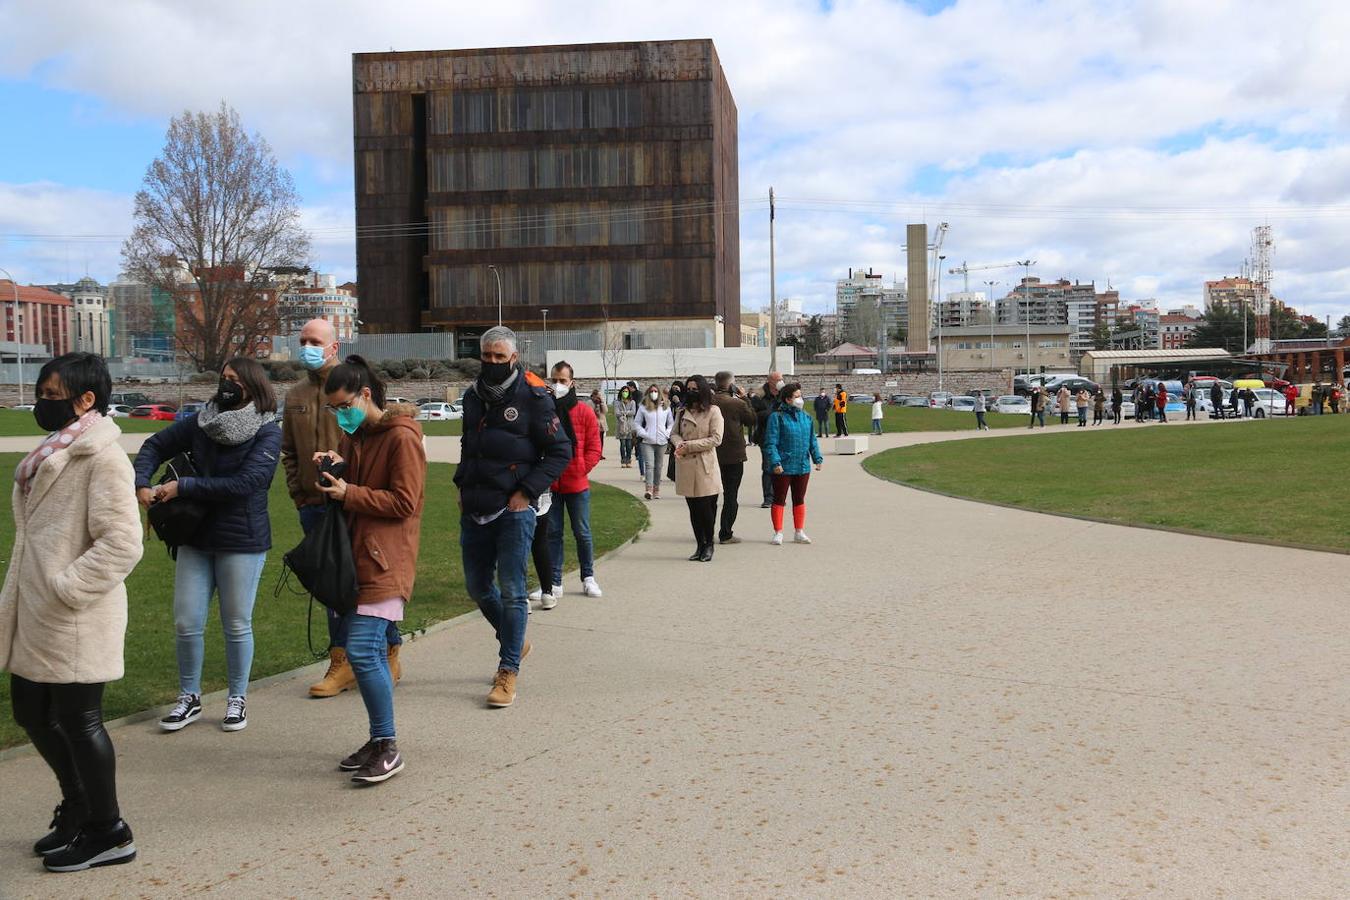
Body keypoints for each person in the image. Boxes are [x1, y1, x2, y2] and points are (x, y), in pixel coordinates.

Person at [2, 353, 144, 872]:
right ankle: (79, 806)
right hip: (37, 611)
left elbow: (124, 543)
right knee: (31, 713)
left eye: (52, 392)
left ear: (86, 400)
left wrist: (65, 587)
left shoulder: (102, 457)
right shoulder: (56, 449)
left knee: (80, 721)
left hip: (74, 614)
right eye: (42, 390)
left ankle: (110, 831)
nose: (42, 400)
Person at [134, 357, 281, 735]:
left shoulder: (267, 430)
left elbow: (248, 483)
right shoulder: (202, 422)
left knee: (235, 623)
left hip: (241, 540)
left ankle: (237, 697)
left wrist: (185, 487)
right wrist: (142, 483)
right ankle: (189, 696)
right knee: (186, 622)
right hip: (195, 537)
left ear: (252, 385)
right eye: (223, 378)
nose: (226, 385)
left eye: (234, 379)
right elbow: (154, 444)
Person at [312, 357, 425, 784]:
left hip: (386, 559)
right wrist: (334, 471)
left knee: (360, 650)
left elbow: (405, 503)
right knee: (368, 652)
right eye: (334, 409)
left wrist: (349, 491)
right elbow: (356, 490)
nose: (341, 414)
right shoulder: (357, 435)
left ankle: (388, 745)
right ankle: (379, 742)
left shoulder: (401, 437)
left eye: (344, 405)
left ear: (364, 395)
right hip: (359, 556)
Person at [284, 318, 402, 699]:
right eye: (302, 340)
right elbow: (288, 451)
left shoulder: (353, 386)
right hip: (314, 504)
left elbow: (373, 440)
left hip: (353, 502)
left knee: (362, 586)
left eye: (314, 340)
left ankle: (384, 649)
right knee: (331, 587)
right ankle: (341, 658)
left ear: (333, 346)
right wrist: (300, 493)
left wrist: (350, 486)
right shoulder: (296, 395)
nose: (307, 346)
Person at [455, 327, 572, 709]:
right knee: (477, 587)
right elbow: (468, 447)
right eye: (486, 356)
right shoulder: (472, 397)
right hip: (474, 504)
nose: (490, 363)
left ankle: (507, 671)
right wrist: (461, 484)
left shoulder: (535, 398)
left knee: (512, 590)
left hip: (513, 509)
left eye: (498, 357)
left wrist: (527, 491)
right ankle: (515, 640)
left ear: (513, 358)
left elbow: (559, 452)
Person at [544, 362, 603, 601]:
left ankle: (588, 577)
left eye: (562, 381)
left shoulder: (584, 412)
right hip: (551, 483)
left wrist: (581, 468)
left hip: (576, 483)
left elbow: (594, 447)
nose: (558, 385)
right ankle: (555, 581)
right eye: (554, 380)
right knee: (553, 533)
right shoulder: (546, 411)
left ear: (572, 383)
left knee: (582, 532)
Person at [671, 374, 725, 561]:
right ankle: (699, 544)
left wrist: (690, 445)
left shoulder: (713, 411)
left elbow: (716, 439)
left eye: (695, 389)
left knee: (706, 509)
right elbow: (674, 433)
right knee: (693, 509)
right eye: (689, 388)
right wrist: (679, 444)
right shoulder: (681, 411)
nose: (691, 392)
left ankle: (709, 544)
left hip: (704, 465)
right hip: (686, 465)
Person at [764, 383, 824, 545]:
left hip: (802, 465)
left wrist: (817, 458)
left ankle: (799, 531)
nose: (800, 399)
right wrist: (775, 462)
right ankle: (778, 532)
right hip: (783, 466)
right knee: (779, 499)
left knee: (799, 498)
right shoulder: (777, 417)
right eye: (797, 396)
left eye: (800, 395)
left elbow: (812, 440)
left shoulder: (806, 417)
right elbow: (771, 443)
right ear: (787, 399)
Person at [711, 371, 757, 545]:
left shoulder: (709, 402)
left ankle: (707, 532)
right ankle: (726, 532)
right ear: (731, 385)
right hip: (733, 454)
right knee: (731, 496)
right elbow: (752, 419)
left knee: (711, 495)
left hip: (713, 453)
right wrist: (745, 398)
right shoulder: (736, 403)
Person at [634, 385, 674, 500]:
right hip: (647, 441)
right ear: (648, 393)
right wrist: (644, 433)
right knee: (649, 465)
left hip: (662, 441)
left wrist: (667, 433)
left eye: (656, 391)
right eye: (651, 391)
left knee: (658, 466)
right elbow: (637, 423)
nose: (653, 393)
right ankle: (649, 489)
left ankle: (656, 489)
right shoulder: (643, 407)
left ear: (659, 393)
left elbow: (671, 423)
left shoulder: (666, 407)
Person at [751, 373, 784, 507]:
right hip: (766, 436)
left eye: (782, 379)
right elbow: (753, 416)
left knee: (782, 467)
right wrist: (772, 412)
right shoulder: (759, 396)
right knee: (769, 467)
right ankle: (768, 498)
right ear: (770, 381)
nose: (780, 382)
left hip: (783, 436)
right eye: (778, 380)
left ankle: (779, 496)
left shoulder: (785, 394)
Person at [614, 385, 638, 468]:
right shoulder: (617, 402)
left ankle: (629, 459)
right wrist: (626, 413)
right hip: (621, 425)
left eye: (626, 391)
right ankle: (623, 460)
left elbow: (633, 412)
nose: (625, 393)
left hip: (630, 426)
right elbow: (617, 413)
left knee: (629, 444)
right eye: (623, 391)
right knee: (622, 444)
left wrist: (624, 412)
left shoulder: (632, 402)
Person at [589, 389, 608, 460]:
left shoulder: (601, 402)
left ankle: (600, 454)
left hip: (602, 424)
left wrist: (602, 402)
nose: (599, 397)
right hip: (594, 423)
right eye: (598, 396)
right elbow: (589, 412)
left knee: (601, 440)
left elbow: (605, 411)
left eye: (600, 396)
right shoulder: (590, 402)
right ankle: (594, 454)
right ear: (594, 395)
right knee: (595, 440)